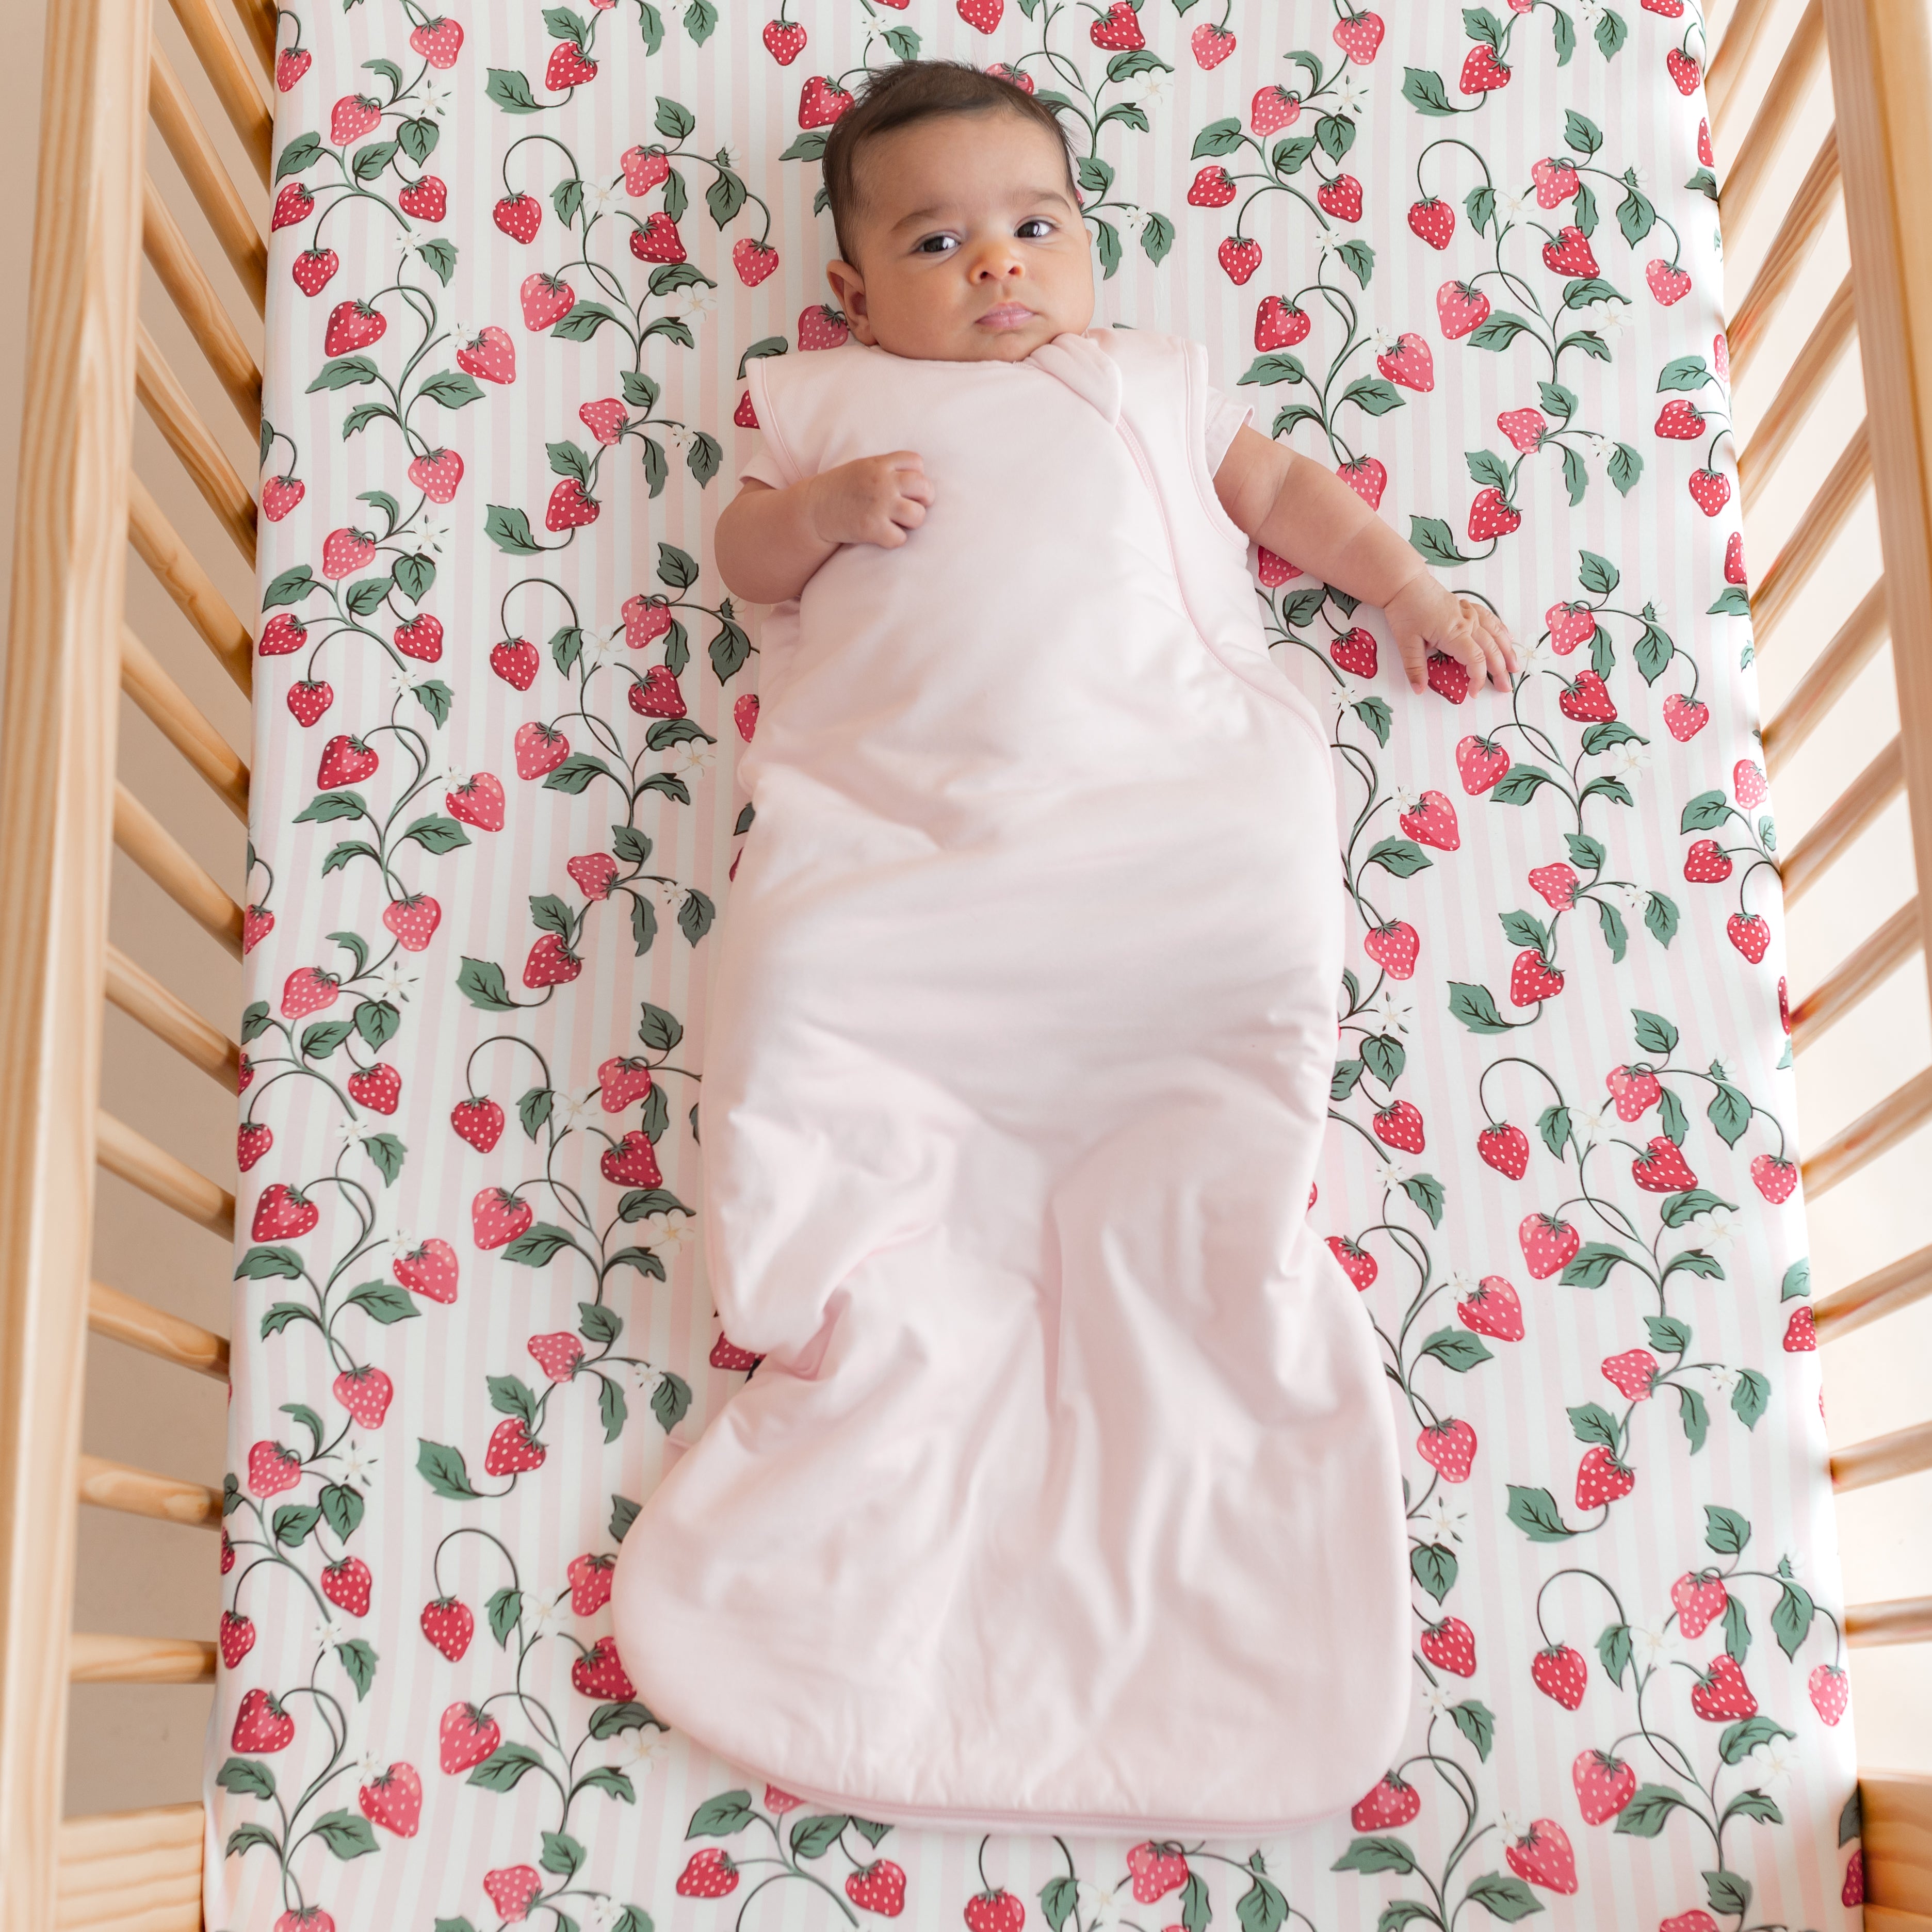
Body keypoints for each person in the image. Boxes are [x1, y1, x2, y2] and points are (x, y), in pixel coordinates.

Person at [609, 58, 1516, 1833]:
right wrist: (823, 515)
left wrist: (1406, 588)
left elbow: (1293, 506)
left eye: (1035, 227)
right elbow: (736, 557)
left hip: (1161, 837)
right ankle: (857, 1338)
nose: (997, 267)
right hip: (902, 857)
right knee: (795, 989)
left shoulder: (1156, 388)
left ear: (1091, 246)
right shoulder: (822, 407)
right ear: (855, 289)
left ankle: (1195, 1303)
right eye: (938, 241)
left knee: (1214, 1041)